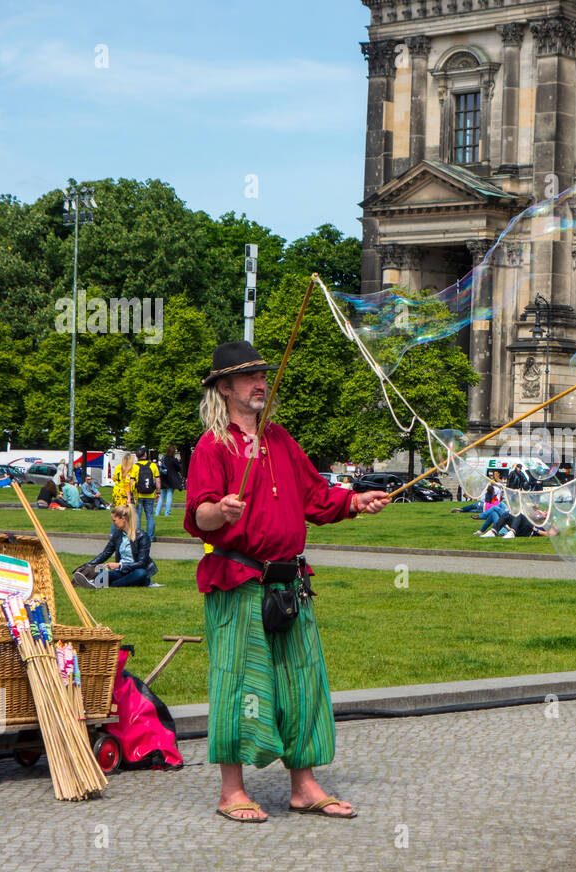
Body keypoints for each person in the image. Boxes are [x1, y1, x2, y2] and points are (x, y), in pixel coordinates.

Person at [184, 341, 390, 823]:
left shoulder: (280, 440)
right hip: (237, 582)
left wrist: (356, 502)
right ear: (225, 388)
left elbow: (317, 498)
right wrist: (221, 511)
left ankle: (304, 785)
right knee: (239, 684)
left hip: (289, 584)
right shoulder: (212, 446)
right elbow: (199, 514)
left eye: (263, 375)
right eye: (249, 376)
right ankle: (232, 791)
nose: (261, 383)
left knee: (302, 683)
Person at [74, 505, 157, 588]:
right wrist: (87, 565)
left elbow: (141, 563)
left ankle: (109, 584)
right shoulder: (117, 534)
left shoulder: (142, 536)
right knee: (103, 572)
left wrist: (119, 565)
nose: (113, 523)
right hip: (121, 572)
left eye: (114, 520)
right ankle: (97, 582)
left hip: (136, 572)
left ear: (123, 519)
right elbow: (105, 554)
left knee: (141, 573)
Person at [133, 446, 161, 542]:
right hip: (150, 494)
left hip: (138, 495)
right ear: (145, 454)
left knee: (138, 516)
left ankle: (138, 536)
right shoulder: (153, 465)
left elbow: (132, 482)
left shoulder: (135, 466)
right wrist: (158, 492)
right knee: (150, 516)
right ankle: (150, 537)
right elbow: (157, 479)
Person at [158, 445, 179, 517]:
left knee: (162, 496)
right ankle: (167, 512)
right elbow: (178, 468)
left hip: (163, 479)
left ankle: (157, 512)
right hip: (171, 480)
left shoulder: (163, 459)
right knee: (169, 496)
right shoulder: (174, 460)